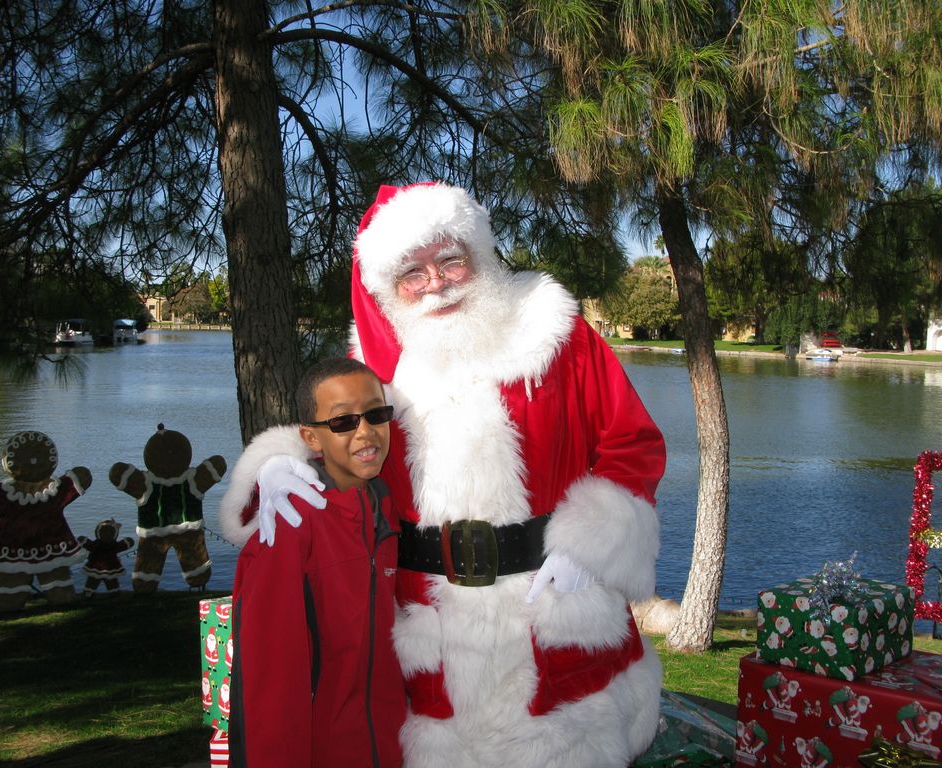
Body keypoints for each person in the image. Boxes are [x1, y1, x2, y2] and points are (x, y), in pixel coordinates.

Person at [219, 183, 667, 768]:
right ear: (390, 289)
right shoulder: (380, 373)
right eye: (413, 272)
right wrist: (281, 463)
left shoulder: (555, 335)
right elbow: (345, 447)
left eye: (450, 259)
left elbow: (632, 441)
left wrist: (591, 545)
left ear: (478, 256)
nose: (437, 282)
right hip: (434, 629)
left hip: (551, 607)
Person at [226, 357, 405, 768]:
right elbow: (268, 684)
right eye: (343, 422)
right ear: (310, 436)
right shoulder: (287, 525)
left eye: (377, 415)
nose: (366, 432)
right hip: (322, 750)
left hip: (392, 747)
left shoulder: (386, 507)